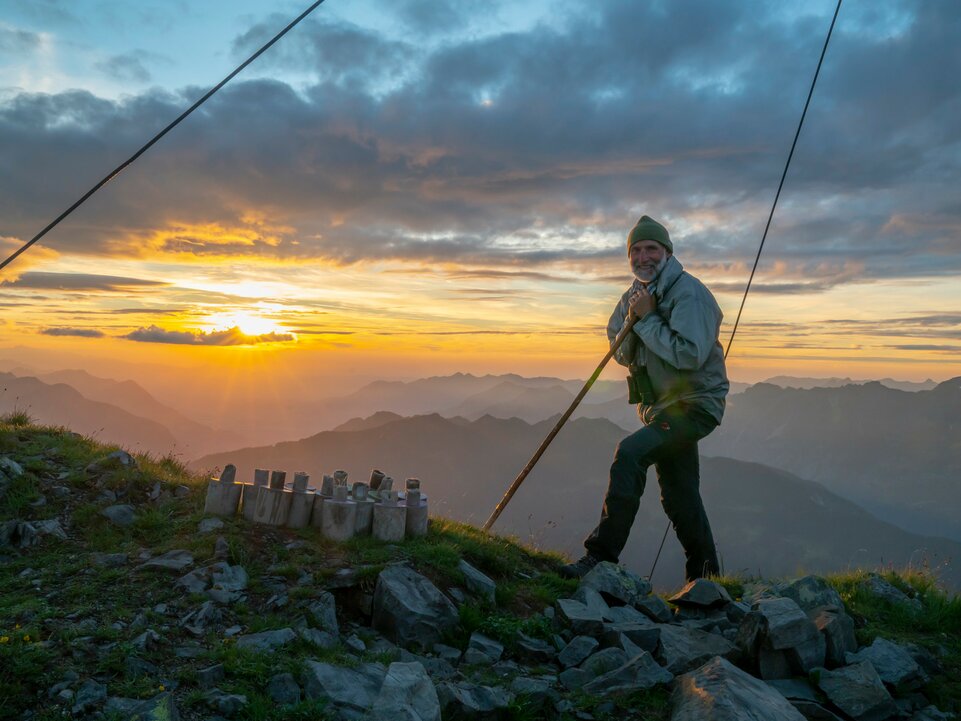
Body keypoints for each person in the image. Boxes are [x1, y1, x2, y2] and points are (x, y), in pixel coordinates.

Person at [560, 215, 729, 581]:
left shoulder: (689, 294)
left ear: (667, 252)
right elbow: (620, 351)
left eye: (651, 248)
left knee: (630, 455)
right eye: (635, 250)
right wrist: (635, 319)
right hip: (662, 408)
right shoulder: (634, 295)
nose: (642, 256)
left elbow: (689, 355)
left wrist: (648, 319)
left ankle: (600, 557)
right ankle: (707, 580)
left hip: (695, 406)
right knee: (679, 495)